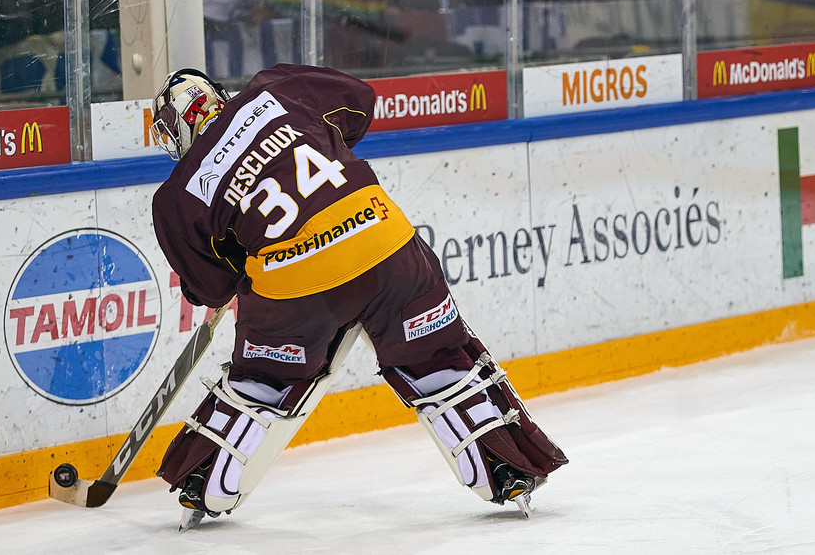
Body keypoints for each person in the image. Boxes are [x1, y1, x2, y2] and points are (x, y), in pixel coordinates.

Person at [149, 64, 568, 528]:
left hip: (294, 288)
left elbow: (211, 288)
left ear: (173, 130)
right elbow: (359, 101)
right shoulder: (276, 90)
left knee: (262, 383)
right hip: (384, 246)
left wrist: (240, 251)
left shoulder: (176, 196)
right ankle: (508, 469)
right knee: (437, 360)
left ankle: (201, 483)